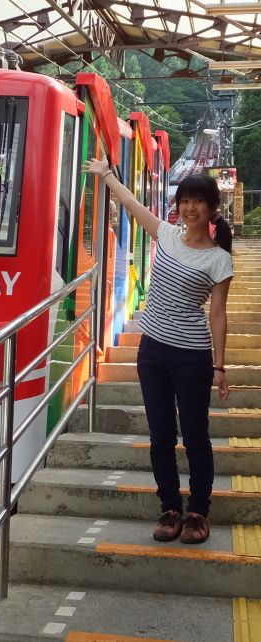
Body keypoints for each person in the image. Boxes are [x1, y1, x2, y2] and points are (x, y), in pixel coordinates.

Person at [83, 158, 233, 545]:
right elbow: (133, 205)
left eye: (199, 201)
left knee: (195, 435)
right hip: (152, 352)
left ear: (211, 209)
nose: (190, 207)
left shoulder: (219, 259)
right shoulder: (165, 234)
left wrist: (219, 366)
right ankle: (170, 508)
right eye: (185, 200)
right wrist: (109, 176)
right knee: (161, 434)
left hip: (193, 356)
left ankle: (198, 512)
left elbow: (217, 313)